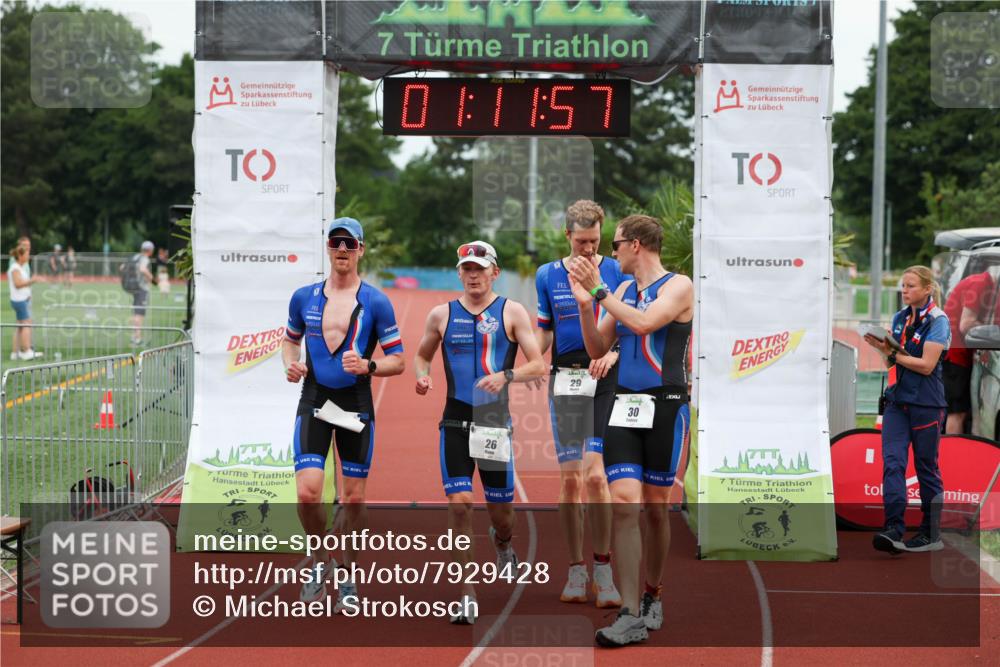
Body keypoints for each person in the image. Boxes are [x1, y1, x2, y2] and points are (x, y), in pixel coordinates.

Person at [568, 214, 693, 647]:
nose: (611, 252)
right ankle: (628, 613)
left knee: (656, 509)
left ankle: (652, 592)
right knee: (624, 502)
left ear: (636, 244)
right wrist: (587, 305)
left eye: (616, 244)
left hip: (666, 405)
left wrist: (599, 292)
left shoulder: (679, 286)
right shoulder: (620, 289)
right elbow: (598, 348)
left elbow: (642, 324)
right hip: (625, 404)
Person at [413, 240, 545, 624]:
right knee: (460, 503)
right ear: (459, 273)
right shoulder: (441, 315)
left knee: (501, 513)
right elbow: (422, 355)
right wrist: (423, 377)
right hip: (454, 419)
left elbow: (538, 366)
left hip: (493, 422)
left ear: (494, 272)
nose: (473, 275)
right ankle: (466, 592)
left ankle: (502, 543)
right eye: (467, 268)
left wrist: (506, 375)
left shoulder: (513, 311)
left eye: (480, 268)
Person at [282, 217, 405, 609]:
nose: (341, 250)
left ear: (360, 250)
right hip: (315, 398)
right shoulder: (304, 297)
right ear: (327, 247)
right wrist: (290, 363)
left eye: (349, 244)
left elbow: (398, 361)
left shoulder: (376, 302)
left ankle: (348, 575)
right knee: (307, 492)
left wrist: (369, 366)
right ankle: (320, 561)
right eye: (336, 242)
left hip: (355, 404)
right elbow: (289, 341)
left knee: (353, 500)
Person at [534, 200, 624, 608]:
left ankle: (604, 571)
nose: (588, 249)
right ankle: (575, 570)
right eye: (582, 241)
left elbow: (629, 327)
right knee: (570, 479)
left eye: (595, 241)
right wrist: (531, 360)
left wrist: (612, 353)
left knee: (595, 476)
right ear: (567, 236)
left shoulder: (617, 271)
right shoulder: (547, 275)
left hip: (605, 376)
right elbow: (544, 332)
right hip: (565, 378)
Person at [864, 266, 950, 554]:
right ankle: (893, 529)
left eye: (911, 286)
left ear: (928, 289)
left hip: (926, 404)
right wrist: (881, 347)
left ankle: (930, 532)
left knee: (926, 467)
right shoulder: (900, 317)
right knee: (893, 463)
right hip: (897, 403)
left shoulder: (939, 320)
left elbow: (926, 366)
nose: (905, 290)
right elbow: (894, 363)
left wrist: (892, 353)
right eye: (903, 285)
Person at [941, 270, 995, 434]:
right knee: (957, 413)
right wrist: (992, 331)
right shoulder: (981, 284)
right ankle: (953, 456)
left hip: (954, 353)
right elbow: (966, 324)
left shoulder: (979, 281)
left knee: (956, 412)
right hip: (956, 356)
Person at [8, 244, 43, 360]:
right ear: (20, 255)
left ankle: (15, 353)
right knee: (27, 324)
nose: (28, 257)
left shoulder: (19, 268)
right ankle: (27, 351)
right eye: (27, 254)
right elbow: (17, 284)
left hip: (20, 300)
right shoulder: (15, 268)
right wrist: (31, 281)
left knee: (19, 326)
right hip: (19, 301)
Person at [121, 241, 155, 345]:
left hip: (133, 288)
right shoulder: (144, 259)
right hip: (141, 289)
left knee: (136, 313)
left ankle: (135, 337)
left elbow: (122, 267)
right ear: (150, 250)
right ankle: (137, 339)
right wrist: (152, 279)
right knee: (139, 314)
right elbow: (143, 269)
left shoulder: (135, 257)